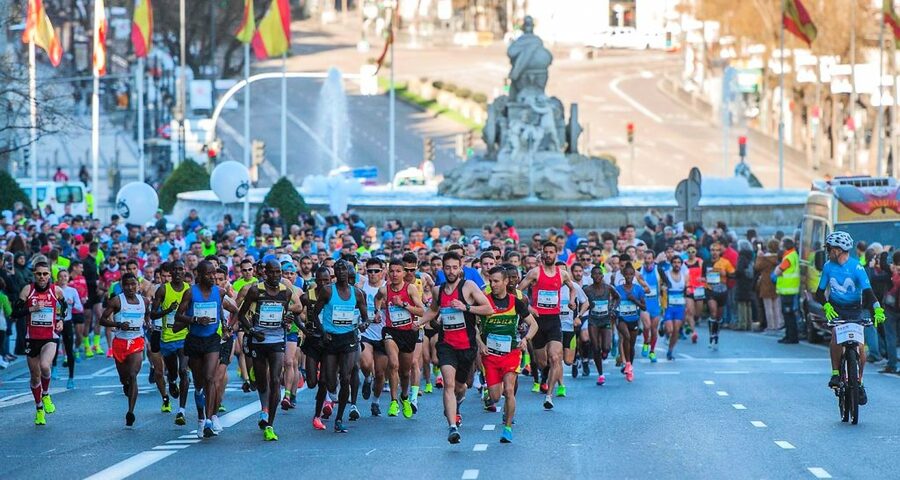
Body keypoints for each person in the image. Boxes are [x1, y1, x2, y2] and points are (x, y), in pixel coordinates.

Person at [417, 251, 493, 444]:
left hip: (467, 346)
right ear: (443, 268)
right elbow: (433, 310)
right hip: (446, 345)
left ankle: (456, 405)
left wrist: (466, 307)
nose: (451, 271)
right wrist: (418, 322)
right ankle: (452, 427)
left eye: (454, 267)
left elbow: (488, 309)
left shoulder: (468, 287)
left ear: (461, 268)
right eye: (447, 267)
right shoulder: (438, 290)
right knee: (449, 385)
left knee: (462, 386)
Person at [818, 232, 886, 406]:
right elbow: (819, 292)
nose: (827, 252)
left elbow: (868, 292)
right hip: (836, 308)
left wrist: (877, 309)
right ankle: (835, 373)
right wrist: (826, 305)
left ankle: (859, 382)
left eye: (829, 249)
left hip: (856, 309)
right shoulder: (828, 266)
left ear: (838, 250)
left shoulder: (856, 267)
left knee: (859, 346)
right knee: (835, 337)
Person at [237, 259, 301, 441]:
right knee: (262, 381)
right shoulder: (256, 290)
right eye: (272, 272)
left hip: (278, 340)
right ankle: (264, 407)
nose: (275, 276)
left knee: (274, 380)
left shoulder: (285, 292)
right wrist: (252, 331)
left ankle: (270, 424)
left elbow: (294, 310)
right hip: (259, 340)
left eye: (278, 272)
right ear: (265, 273)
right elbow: (242, 315)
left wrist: (288, 319)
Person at [175, 260, 237, 439]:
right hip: (194, 340)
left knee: (210, 378)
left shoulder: (220, 292)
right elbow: (179, 316)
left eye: (214, 274)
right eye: (209, 274)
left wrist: (228, 327)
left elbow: (236, 310)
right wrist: (194, 320)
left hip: (212, 340)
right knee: (199, 383)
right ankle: (201, 419)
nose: (212, 277)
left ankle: (209, 420)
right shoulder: (190, 293)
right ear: (200, 276)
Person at [478, 265, 537, 443]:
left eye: (496, 281)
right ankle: (494, 396)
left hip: (510, 352)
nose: (493, 284)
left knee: (510, 390)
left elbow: (533, 325)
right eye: (491, 281)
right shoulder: (484, 301)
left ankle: (508, 428)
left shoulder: (516, 302)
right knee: (496, 397)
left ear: (505, 281)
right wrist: (480, 343)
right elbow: (473, 326)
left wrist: (525, 339)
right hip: (490, 355)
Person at [518, 241, 577, 410]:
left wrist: (572, 301)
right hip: (537, 323)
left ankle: (549, 395)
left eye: (552, 252)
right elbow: (518, 292)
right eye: (546, 252)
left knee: (555, 357)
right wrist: (529, 308)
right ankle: (547, 374)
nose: (549, 255)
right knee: (542, 362)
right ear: (542, 254)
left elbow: (572, 289)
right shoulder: (535, 272)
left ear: (556, 254)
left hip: (553, 321)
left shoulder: (563, 274)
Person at [311, 260, 368, 433]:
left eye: (345, 270)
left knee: (345, 377)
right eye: (339, 269)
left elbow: (366, 318)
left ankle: (339, 419)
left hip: (349, 339)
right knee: (330, 382)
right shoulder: (328, 291)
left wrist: (364, 324)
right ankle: (329, 403)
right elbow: (315, 314)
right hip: (331, 340)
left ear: (350, 273)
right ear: (335, 273)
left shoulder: (357, 293)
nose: (342, 272)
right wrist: (323, 332)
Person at [374, 259, 425, 418]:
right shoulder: (384, 290)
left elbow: (421, 311)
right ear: (388, 273)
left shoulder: (410, 289)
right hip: (391, 331)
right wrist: (377, 311)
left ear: (404, 273)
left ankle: (404, 397)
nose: (395, 274)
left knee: (405, 372)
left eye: (398, 271)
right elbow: (377, 298)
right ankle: (394, 401)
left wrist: (403, 305)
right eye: (392, 271)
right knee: (393, 364)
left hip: (408, 333)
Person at [15, 261, 65, 425]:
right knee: (35, 377)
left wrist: (61, 320)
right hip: (32, 338)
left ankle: (46, 394)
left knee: (45, 366)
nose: (42, 277)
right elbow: (15, 313)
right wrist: (32, 309)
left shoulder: (56, 290)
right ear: (34, 275)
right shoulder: (28, 290)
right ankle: (39, 409)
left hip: (49, 336)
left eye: (45, 274)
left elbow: (63, 308)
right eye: (39, 274)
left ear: (50, 275)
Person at [98, 273, 149, 427]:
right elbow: (102, 320)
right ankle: (125, 384)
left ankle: (130, 412)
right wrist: (118, 325)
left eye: (133, 284)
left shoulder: (144, 301)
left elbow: (147, 315)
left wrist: (148, 323)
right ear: (122, 286)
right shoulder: (116, 301)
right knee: (124, 378)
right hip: (120, 343)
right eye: (126, 285)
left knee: (133, 375)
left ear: (138, 285)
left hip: (136, 341)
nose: (130, 288)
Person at [151, 261, 190, 424]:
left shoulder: (189, 289)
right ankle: (172, 381)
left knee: (184, 371)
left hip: (185, 336)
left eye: (181, 269)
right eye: (175, 270)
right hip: (167, 338)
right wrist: (168, 310)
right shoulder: (163, 289)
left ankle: (181, 410)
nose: (178, 272)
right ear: (170, 272)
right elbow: (152, 315)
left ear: (184, 271)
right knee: (173, 373)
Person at [359, 257, 388, 416]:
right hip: (366, 333)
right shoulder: (362, 288)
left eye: (376, 271)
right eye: (369, 271)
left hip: (383, 335)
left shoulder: (387, 287)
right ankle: (366, 378)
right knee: (365, 362)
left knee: (380, 373)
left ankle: (375, 401)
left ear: (383, 271)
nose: (372, 274)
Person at [581, 266, 619, 385]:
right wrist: (585, 307)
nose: (597, 276)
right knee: (596, 347)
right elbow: (580, 302)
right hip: (593, 320)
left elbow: (618, 298)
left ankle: (606, 351)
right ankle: (601, 374)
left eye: (599, 274)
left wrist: (613, 308)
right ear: (591, 276)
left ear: (602, 276)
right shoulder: (587, 290)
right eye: (595, 274)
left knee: (606, 347)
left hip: (606, 319)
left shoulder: (608, 288)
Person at [614, 263, 646, 382]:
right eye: (626, 274)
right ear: (623, 275)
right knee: (626, 337)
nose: (629, 277)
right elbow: (614, 302)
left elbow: (644, 307)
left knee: (631, 346)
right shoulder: (618, 289)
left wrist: (635, 300)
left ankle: (629, 366)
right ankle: (627, 363)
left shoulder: (638, 289)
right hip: (622, 318)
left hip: (634, 319)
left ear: (634, 275)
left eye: (631, 274)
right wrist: (614, 310)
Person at [706, 242, 735, 350]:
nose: (714, 252)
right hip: (710, 290)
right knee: (713, 313)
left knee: (719, 316)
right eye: (712, 250)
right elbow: (701, 275)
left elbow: (733, 274)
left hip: (722, 290)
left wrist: (725, 274)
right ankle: (711, 335)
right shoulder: (707, 262)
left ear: (720, 252)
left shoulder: (725, 262)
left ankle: (716, 334)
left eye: (717, 250)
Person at [56, 270, 82, 389]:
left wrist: (72, 303)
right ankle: (54, 368)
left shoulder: (72, 291)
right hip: (54, 321)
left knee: (69, 349)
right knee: (53, 346)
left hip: (67, 321)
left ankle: (71, 378)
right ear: (57, 278)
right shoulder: (54, 289)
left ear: (68, 278)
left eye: (65, 276)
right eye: (60, 276)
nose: (63, 278)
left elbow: (80, 307)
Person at [772, 238, 800, 344]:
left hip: (788, 290)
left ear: (785, 246)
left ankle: (791, 337)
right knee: (789, 315)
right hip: (791, 289)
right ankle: (790, 335)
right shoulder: (794, 255)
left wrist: (777, 268)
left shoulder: (788, 257)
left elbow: (778, 271)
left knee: (788, 315)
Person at [662, 256, 687, 360]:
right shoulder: (667, 274)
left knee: (676, 330)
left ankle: (670, 350)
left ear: (681, 264)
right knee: (670, 330)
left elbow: (686, 291)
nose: (677, 264)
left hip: (679, 307)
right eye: (674, 262)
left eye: (678, 262)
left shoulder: (684, 276)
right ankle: (663, 328)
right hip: (669, 306)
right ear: (671, 264)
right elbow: (661, 288)